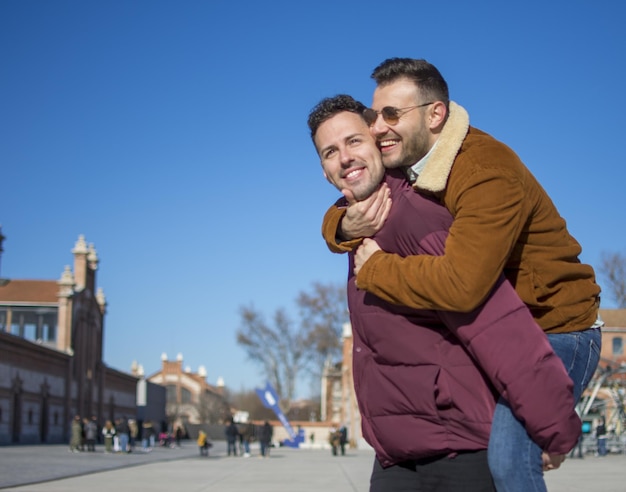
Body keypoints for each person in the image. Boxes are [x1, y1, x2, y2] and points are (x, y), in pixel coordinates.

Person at [320, 58, 602, 491]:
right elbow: (360, 191)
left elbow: (464, 286)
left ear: (435, 114)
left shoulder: (485, 170)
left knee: (510, 459)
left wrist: (375, 269)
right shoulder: (412, 166)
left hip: (558, 324)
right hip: (507, 325)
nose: (379, 128)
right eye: (375, 116)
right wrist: (339, 227)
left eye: (392, 114)